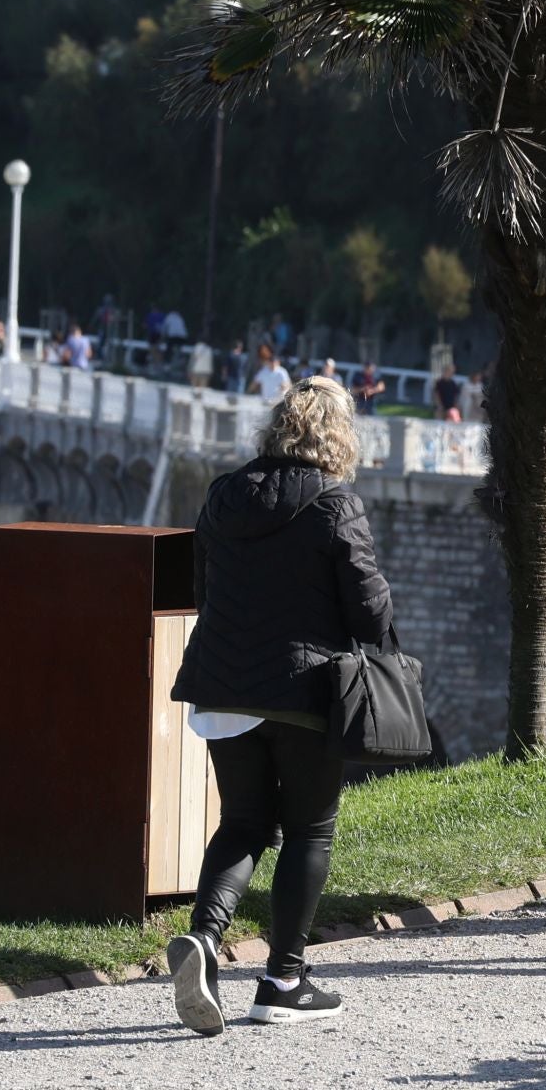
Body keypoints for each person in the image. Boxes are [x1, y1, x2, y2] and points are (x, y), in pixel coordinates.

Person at [166, 377, 391, 1033]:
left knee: (243, 823)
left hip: (222, 687)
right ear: (339, 435)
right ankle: (283, 981)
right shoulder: (333, 501)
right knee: (309, 829)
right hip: (302, 692)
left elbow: (205, 588)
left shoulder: (222, 496)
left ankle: (204, 942)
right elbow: (369, 607)